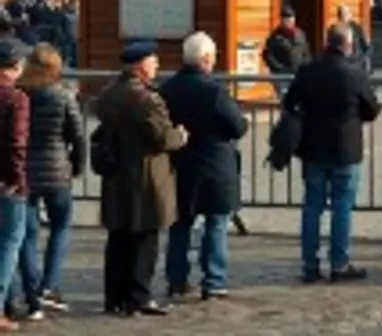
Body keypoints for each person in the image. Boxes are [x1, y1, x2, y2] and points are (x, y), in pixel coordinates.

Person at [96, 41, 188, 316]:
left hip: (116, 175)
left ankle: (114, 296)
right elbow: (161, 138)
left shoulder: (108, 93)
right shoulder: (147, 100)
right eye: (153, 61)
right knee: (145, 238)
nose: (157, 65)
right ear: (140, 66)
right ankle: (139, 296)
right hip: (145, 177)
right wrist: (180, 136)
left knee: (118, 237)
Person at [282, 23, 379, 282]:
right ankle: (339, 263)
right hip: (345, 147)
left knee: (312, 205)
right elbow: (372, 109)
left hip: (313, 146)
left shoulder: (309, 71)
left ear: (327, 42)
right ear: (347, 45)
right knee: (342, 206)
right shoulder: (354, 73)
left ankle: (310, 265)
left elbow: (289, 102)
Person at [160, 32, 249, 300]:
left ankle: (176, 279)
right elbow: (237, 126)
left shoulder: (168, 89)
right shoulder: (215, 92)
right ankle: (214, 279)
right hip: (215, 166)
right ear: (207, 59)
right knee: (216, 223)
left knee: (180, 225)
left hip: (181, 164)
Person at [15, 44, 85, 321]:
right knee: (60, 227)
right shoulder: (64, 96)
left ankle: (31, 292)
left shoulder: (20, 94)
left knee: (27, 234)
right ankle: (49, 285)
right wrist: (77, 166)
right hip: (57, 169)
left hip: (24, 171)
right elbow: (77, 135)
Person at [0, 39, 30, 333]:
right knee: (9, 243)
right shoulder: (16, 99)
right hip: (6, 183)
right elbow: (16, 143)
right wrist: (17, 180)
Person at [262, 6, 311, 75]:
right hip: (281, 75)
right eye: (286, 19)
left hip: (298, 74)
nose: (289, 21)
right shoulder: (275, 36)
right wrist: (278, 68)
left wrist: (305, 67)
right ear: (282, 20)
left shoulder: (301, 34)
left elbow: (306, 53)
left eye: (291, 18)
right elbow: (267, 54)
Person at [335, 5, 372, 74]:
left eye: (346, 13)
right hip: (340, 65)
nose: (343, 16)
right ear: (338, 16)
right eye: (341, 13)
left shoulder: (357, 29)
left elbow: (367, 47)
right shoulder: (334, 30)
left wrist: (362, 60)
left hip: (355, 63)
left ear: (350, 15)